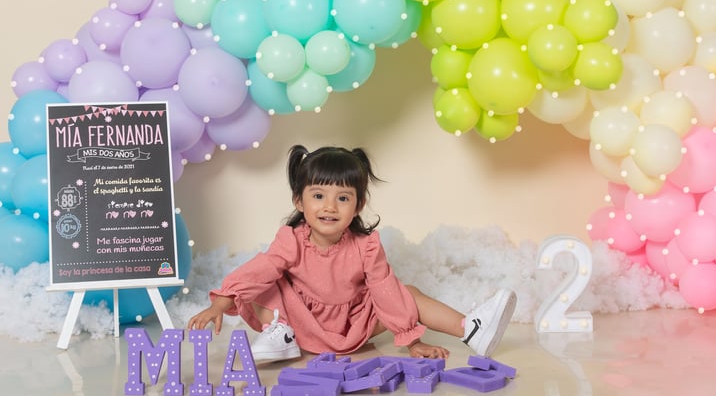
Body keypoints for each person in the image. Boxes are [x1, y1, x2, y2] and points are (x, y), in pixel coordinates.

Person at [188, 144, 516, 362]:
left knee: (406, 292)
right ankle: (280, 333)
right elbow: (257, 271)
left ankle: (470, 329)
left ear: (357, 205)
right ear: (299, 202)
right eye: (318, 196)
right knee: (267, 276)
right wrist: (220, 303)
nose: (330, 207)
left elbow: (387, 294)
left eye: (343, 199)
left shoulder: (366, 245)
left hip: (353, 328)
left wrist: (412, 341)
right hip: (298, 324)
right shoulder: (292, 239)